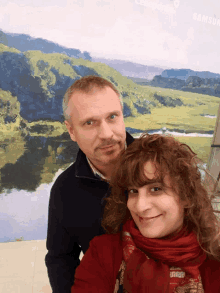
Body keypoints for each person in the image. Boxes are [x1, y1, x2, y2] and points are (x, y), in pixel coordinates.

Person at [72, 133, 220, 293]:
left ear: (186, 196)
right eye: (133, 191)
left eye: (156, 189)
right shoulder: (102, 253)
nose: (140, 207)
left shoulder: (213, 258)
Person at [45, 75, 134, 293]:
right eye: (89, 123)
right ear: (71, 131)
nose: (106, 134)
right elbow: (61, 259)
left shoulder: (160, 166)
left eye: (112, 117)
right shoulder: (64, 190)